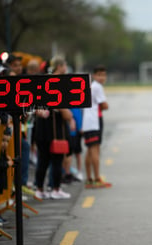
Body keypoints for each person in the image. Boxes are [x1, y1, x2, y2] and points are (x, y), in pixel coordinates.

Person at [33, 56, 73, 199]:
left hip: (47, 128)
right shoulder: (56, 83)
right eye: (65, 65)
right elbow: (58, 105)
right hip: (50, 129)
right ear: (59, 66)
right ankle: (53, 189)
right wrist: (66, 112)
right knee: (51, 160)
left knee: (45, 161)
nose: (66, 67)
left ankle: (42, 188)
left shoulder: (45, 81)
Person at [82, 65, 111, 188]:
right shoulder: (97, 87)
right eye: (99, 75)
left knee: (89, 150)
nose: (102, 77)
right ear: (94, 75)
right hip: (94, 121)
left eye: (103, 75)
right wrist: (105, 105)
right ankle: (97, 178)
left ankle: (89, 178)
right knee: (95, 150)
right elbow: (104, 105)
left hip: (88, 121)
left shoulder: (92, 86)